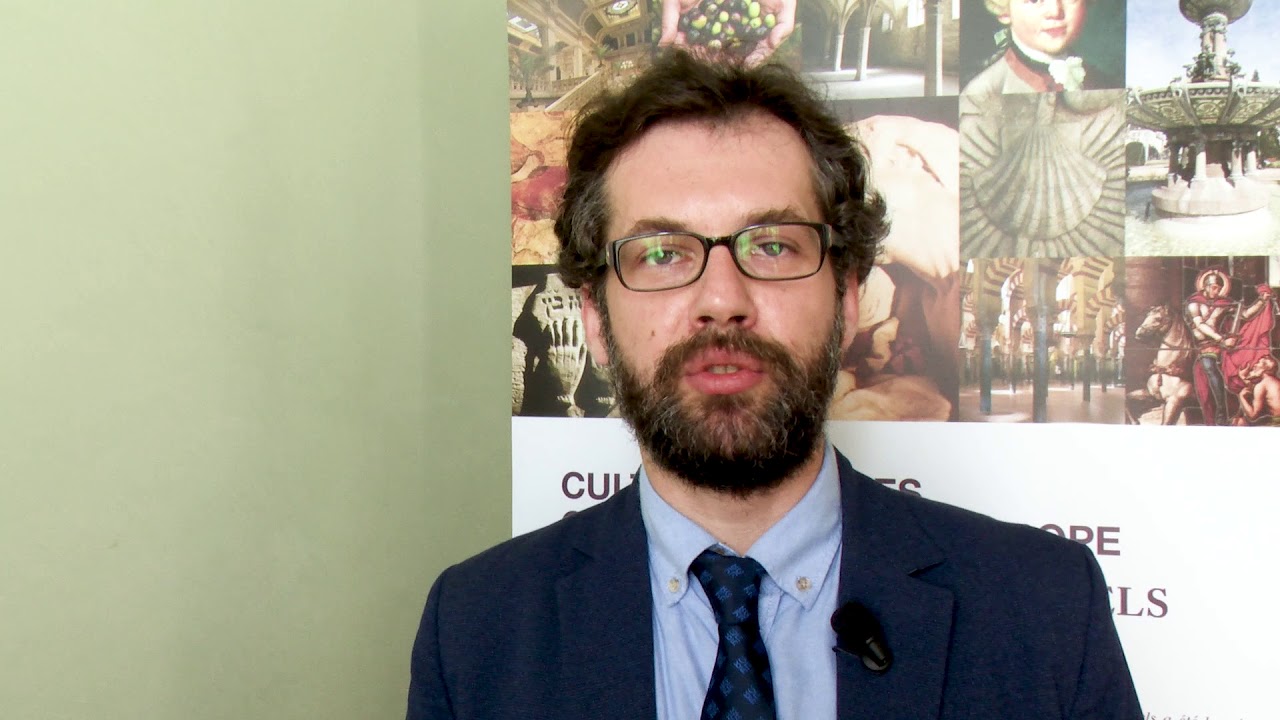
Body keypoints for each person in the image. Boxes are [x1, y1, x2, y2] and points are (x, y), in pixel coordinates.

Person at [407, 51, 1141, 719]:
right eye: (661, 253)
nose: (722, 298)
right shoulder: (475, 632)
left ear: (848, 297)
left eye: (772, 246)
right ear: (595, 318)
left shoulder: (1044, 611)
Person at [964, 0, 1120, 95]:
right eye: (1034, 0)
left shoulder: (1104, 83)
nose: (1055, 11)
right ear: (1004, 10)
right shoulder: (985, 90)